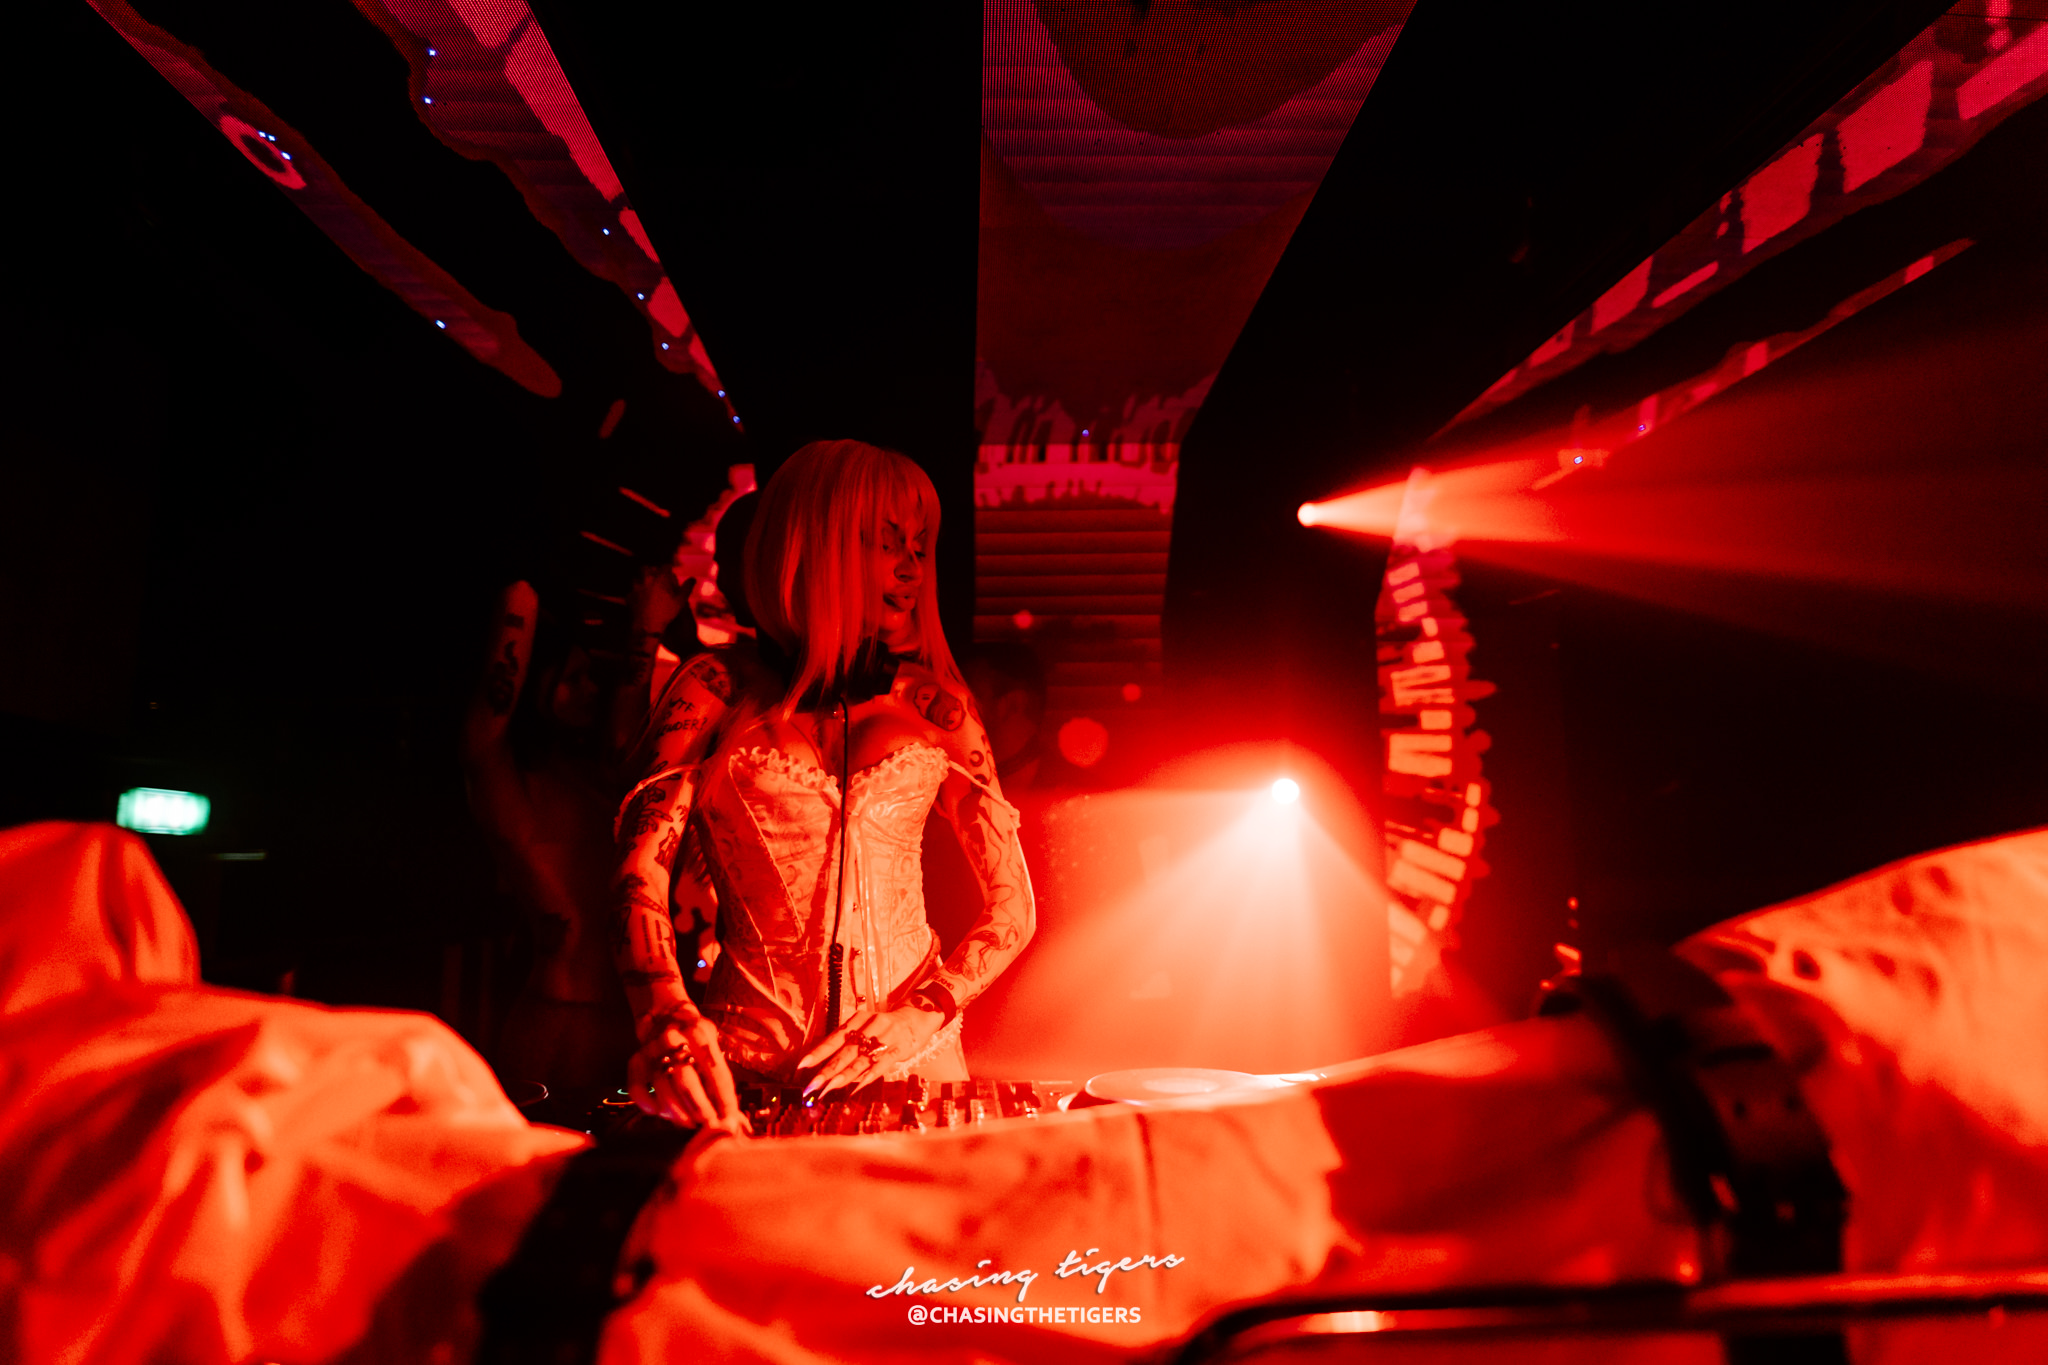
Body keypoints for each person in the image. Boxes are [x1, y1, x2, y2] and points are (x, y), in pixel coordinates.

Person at [609, 440, 1036, 1133]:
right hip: (745, 1070)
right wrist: (665, 1011)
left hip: (915, 1068)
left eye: (920, 546)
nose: (911, 568)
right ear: (815, 546)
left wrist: (919, 1014)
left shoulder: (937, 706)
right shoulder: (713, 690)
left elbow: (1012, 906)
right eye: (888, 543)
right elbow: (638, 874)